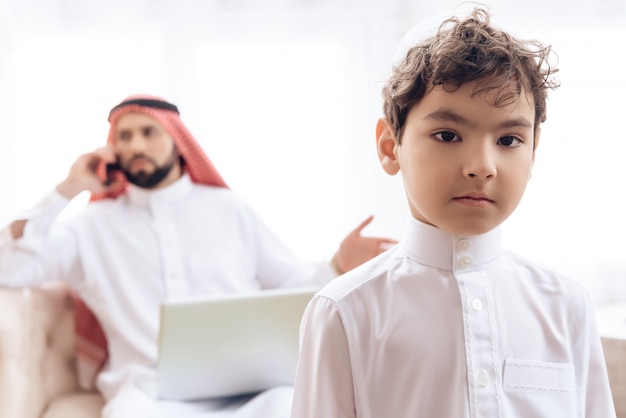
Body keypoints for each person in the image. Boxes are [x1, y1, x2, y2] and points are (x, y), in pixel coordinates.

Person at [290, 7, 616, 418]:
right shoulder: (343, 310)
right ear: (391, 147)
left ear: (534, 152)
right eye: (448, 135)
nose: (482, 165)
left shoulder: (567, 305)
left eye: (509, 139)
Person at [0, 95, 396, 418]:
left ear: (177, 140)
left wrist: (337, 266)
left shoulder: (227, 209)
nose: (135, 145)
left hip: (247, 390)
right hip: (148, 394)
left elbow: (288, 279)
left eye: (147, 132)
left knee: (288, 405)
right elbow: (9, 266)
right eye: (124, 136)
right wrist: (67, 190)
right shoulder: (90, 227)